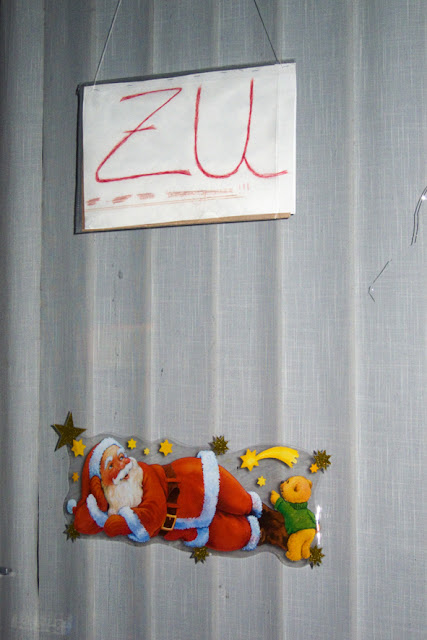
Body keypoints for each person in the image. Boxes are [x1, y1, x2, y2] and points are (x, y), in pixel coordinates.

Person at [67, 438, 265, 552]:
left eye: (121, 456)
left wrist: (124, 523)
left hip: (197, 481)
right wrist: (97, 504)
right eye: (111, 465)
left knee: (241, 503)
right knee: (239, 535)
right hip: (188, 525)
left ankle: (261, 510)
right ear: (101, 483)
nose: (122, 465)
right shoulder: (115, 503)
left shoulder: (142, 474)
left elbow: (154, 512)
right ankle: (265, 533)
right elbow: (83, 523)